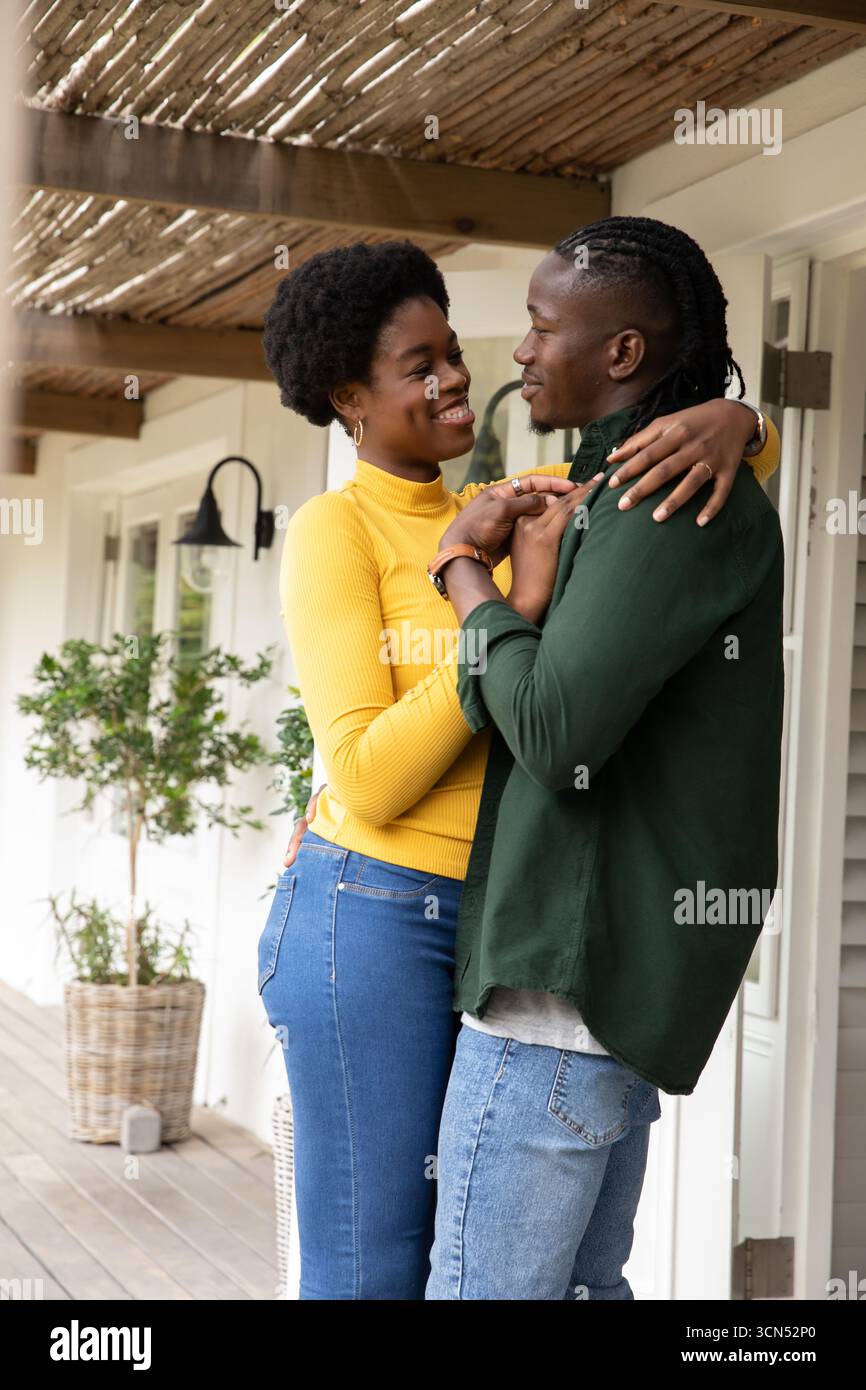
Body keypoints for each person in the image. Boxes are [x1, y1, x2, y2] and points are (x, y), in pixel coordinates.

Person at [257, 236, 780, 1300]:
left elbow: (674, 471)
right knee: (376, 1266)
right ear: (349, 396)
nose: (458, 375)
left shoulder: (517, 498)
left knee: (487, 1246)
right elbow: (360, 773)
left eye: (452, 350)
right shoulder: (334, 532)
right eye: (419, 366)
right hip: (371, 909)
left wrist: (739, 416)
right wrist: (499, 611)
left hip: (495, 920)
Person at [421, 215, 785, 1300]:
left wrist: (463, 577)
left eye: (539, 327)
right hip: (583, 1008)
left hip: (555, 1000)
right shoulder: (626, 477)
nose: (520, 352)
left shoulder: (657, 496)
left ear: (621, 353)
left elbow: (554, 730)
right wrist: (743, 418)